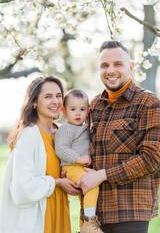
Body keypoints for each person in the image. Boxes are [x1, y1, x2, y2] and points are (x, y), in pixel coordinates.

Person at [77, 40, 160, 233]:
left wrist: (101, 176)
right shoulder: (95, 105)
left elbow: (151, 159)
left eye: (117, 64)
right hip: (93, 214)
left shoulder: (149, 103)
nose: (110, 70)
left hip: (130, 212)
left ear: (130, 67)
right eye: (104, 65)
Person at [0, 75, 80, 233]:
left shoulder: (62, 133)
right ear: (34, 102)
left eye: (58, 96)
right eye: (48, 96)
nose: (55, 101)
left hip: (61, 212)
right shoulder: (29, 136)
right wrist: (56, 183)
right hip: (39, 219)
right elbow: (22, 187)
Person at [54, 89, 103, 233]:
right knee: (92, 185)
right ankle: (89, 221)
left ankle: (82, 227)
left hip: (80, 168)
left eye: (82, 109)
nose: (77, 113)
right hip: (71, 167)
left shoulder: (85, 128)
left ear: (88, 111)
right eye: (73, 109)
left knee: (85, 197)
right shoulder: (65, 129)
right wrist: (78, 158)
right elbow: (61, 149)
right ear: (64, 111)